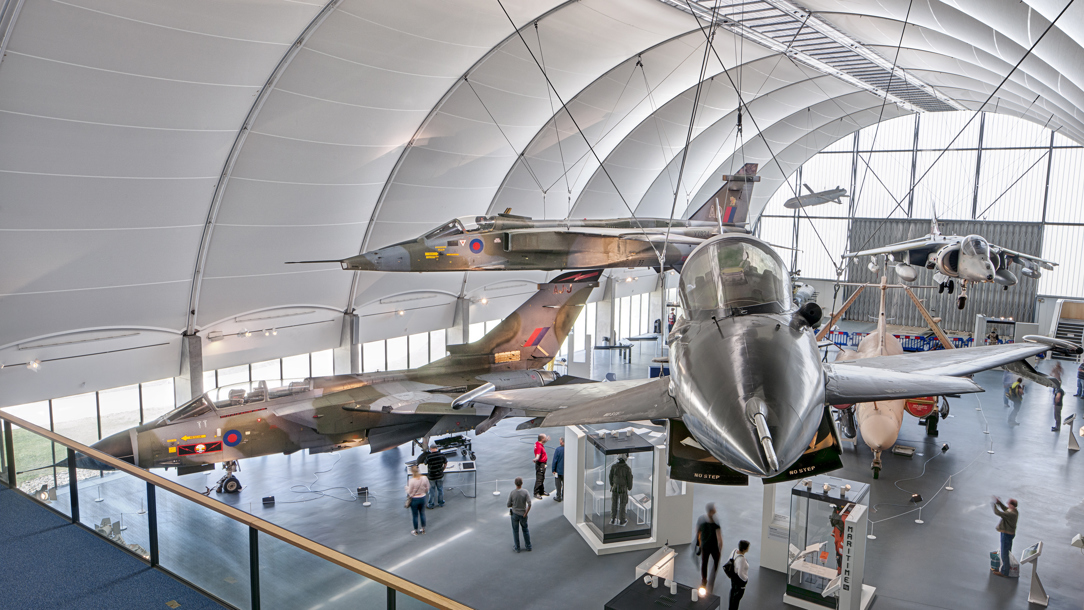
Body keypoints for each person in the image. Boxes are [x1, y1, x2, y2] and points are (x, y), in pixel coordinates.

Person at [696, 503, 723, 595]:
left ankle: (704, 580)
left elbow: (698, 533)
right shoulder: (715, 523)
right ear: (712, 511)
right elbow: (719, 537)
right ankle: (711, 581)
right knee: (715, 562)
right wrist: (720, 548)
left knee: (704, 562)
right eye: (715, 508)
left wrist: (699, 545)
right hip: (713, 547)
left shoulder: (702, 520)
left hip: (704, 546)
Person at [991, 497, 1018, 577]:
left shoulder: (1011, 514)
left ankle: (1004, 572)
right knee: (1007, 552)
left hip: (1006, 534)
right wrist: (999, 503)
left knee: (1004, 553)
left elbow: (999, 513)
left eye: (1008, 503)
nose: (1007, 504)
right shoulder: (1014, 511)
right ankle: (1006, 568)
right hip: (1009, 533)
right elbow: (1006, 509)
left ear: (1012, 505)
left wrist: (994, 505)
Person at [506, 476, 532, 552]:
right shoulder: (525, 492)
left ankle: (517, 548)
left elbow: (508, 505)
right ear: (522, 483)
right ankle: (528, 546)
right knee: (525, 530)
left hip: (514, 514)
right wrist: (526, 513)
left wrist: (513, 505)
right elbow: (529, 504)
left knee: (515, 531)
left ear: (515, 484)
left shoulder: (512, 493)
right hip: (523, 514)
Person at [609, 454, 633, 525]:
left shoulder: (614, 467)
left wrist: (612, 484)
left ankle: (613, 518)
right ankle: (622, 520)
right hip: (623, 488)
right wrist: (629, 487)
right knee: (623, 504)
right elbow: (629, 479)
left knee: (614, 503)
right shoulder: (627, 468)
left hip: (615, 487)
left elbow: (610, 477)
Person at [406, 464, 429, 536]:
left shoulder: (411, 480)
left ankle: (415, 531)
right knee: (422, 513)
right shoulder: (424, 478)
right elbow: (427, 488)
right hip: (422, 497)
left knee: (415, 515)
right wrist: (423, 492)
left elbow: (409, 492)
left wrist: (406, 488)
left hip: (414, 499)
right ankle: (423, 529)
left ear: (412, 472)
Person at [727, 540, 750, 610]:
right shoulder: (742, 559)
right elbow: (740, 573)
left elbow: (729, 560)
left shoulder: (734, 551)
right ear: (744, 549)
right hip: (739, 581)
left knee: (732, 596)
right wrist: (745, 579)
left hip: (733, 578)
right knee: (736, 600)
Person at [424, 443, 447, 509]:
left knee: (431, 490)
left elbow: (425, 463)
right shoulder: (442, 455)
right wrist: (442, 469)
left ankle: (431, 504)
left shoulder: (429, 456)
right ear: (437, 448)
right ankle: (441, 503)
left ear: (430, 449)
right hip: (440, 475)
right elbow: (445, 463)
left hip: (431, 477)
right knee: (440, 489)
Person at [533, 433, 549, 499]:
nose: (545, 439)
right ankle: (536, 493)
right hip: (540, 464)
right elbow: (538, 455)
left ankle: (541, 491)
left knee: (542, 477)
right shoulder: (539, 446)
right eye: (545, 438)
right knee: (539, 479)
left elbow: (542, 443)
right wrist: (535, 459)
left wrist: (547, 440)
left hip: (541, 464)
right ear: (542, 439)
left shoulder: (537, 443)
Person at [552, 437, 565, 502]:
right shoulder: (569, 449)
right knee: (565, 484)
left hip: (558, 470)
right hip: (565, 471)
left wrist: (553, 469)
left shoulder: (558, 449)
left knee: (558, 484)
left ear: (562, 442)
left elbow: (555, 460)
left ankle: (559, 496)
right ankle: (564, 496)